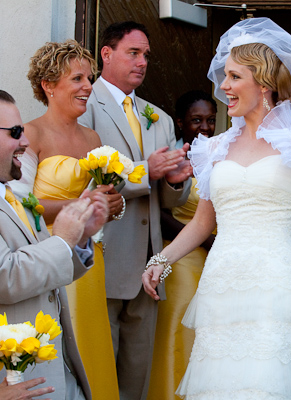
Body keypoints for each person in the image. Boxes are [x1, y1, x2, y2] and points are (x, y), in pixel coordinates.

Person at [143, 16, 291, 399]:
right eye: (225, 76)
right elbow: (203, 222)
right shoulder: (215, 147)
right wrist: (162, 259)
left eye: (235, 77)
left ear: (265, 82)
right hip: (221, 282)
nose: (224, 86)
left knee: (264, 384)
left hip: (274, 282)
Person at [78, 21, 192, 399]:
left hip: (149, 262)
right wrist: (147, 171)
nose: (143, 62)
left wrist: (175, 180)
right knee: (100, 370)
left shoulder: (156, 115)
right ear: (106, 54)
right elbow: (85, 183)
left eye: (146, 55)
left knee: (136, 372)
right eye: (133, 53)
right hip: (104, 257)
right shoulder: (84, 106)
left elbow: (169, 201)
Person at [12, 39, 121, 400]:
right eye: (77, 79)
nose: (88, 87)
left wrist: (110, 205)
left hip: (89, 260)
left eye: (89, 79)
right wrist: (80, 202)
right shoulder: (30, 134)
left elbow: (97, 204)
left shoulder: (92, 137)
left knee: (92, 344)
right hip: (50, 255)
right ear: (48, 85)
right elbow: (21, 204)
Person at [0, 89, 109, 399]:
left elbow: (43, 266)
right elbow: (5, 276)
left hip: (53, 371)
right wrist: (61, 240)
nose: (24, 142)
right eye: (15, 132)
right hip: (15, 381)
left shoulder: (11, 198)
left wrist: (79, 237)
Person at [148, 90, 217, 400]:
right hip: (181, 259)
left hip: (216, 262)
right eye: (196, 121)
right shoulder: (173, 157)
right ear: (180, 123)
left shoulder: (220, 155)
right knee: (181, 332)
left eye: (211, 121)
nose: (204, 127)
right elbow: (158, 214)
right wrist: (203, 239)